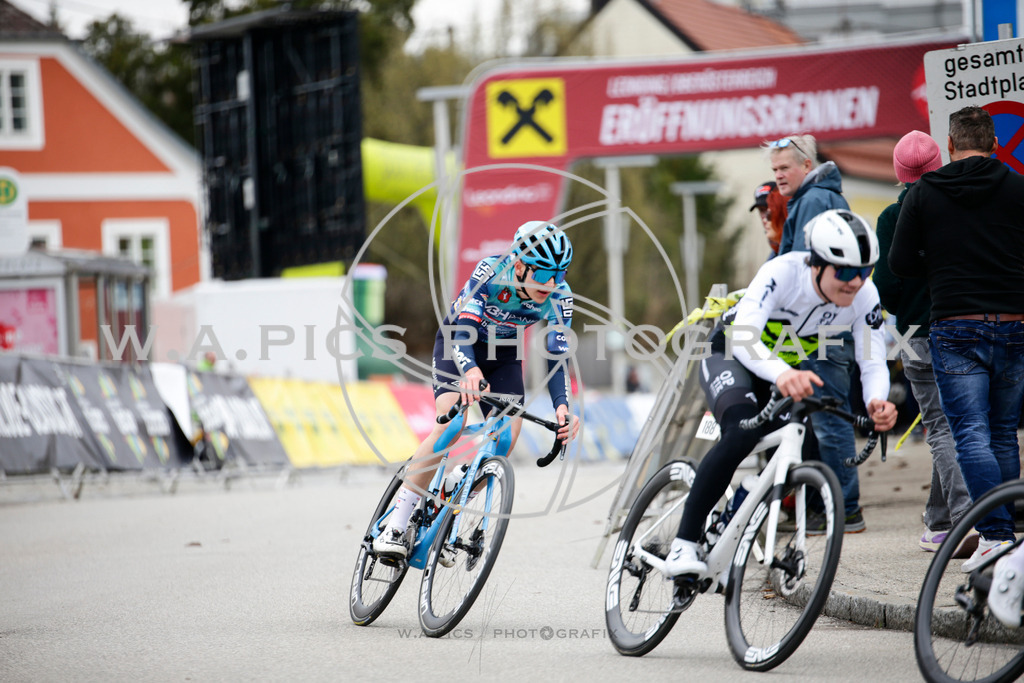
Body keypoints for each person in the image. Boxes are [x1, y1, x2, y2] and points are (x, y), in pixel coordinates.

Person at [665, 209, 897, 576]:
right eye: (846, 272)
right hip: (733, 353)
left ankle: (740, 507)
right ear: (817, 264)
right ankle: (683, 544)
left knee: (792, 449)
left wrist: (876, 401)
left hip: (780, 370)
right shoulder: (782, 274)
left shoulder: (864, 294)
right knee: (742, 432)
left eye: (865, 271)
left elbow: (872, 361)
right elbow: (744, 339)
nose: (855, 282)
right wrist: (784, 373)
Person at [373, 221, 581, 559]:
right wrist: (469, 370)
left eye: (560, 274)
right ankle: (395, 526)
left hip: (504, 354)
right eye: (543, 274)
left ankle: (455, 489)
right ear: (519, 265)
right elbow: (464, 328)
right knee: (451, 425)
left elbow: (557, 356)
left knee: (503, 440)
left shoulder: (560, 296)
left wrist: (562, 407)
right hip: (459, 344)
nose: (552, 284)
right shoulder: (490, 271)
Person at [889, 105, 1024, 573]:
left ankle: (994, 535)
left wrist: (941, 255)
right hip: (1013, 322)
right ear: (994, 143)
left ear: (950, 145)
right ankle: (1010, 535)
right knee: (1004, 433)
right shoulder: (1017, 188)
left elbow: (901, 263)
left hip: (955, 326)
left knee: (969, 432)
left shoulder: (924, 193)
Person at [874, 130, 975, 555]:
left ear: (899, 173)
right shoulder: (960, 206)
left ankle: (961, 518)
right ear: (939, 163)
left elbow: (885, 287)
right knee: (955, 423)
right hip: (962, 325)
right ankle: (940, 519)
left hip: (914, 333)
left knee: (940, 426)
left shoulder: (891, 218)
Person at [766, 134, 865, 532]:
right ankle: (826, 505)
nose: (778, 177)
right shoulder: (822, 196)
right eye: (773, 171)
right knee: (821, 418)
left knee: (828, 420)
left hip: (819, 332)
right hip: (821, 329)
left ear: (806, 166)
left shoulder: (812, 201)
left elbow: (803, 272)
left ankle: (847, 510)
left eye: (784, 168)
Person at [749, 180, 786, 255]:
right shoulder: (775, 249)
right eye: (761, 210)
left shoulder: (794, 243)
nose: (765, 217)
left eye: (770, 209)